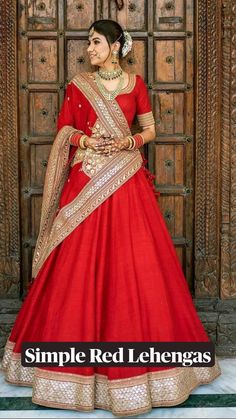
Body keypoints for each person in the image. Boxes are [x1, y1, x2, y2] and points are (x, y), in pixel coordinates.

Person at [1, 19, 221, 417]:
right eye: (89, 43)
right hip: (86, 181)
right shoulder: (78, 85)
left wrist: (130, 141)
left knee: (133, 266)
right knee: (76, 267)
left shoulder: (136, 85)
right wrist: (85, 140)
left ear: (117, 45)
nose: (90, 49)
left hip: (125, 179)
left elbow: (151, 129)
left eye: (97, 42)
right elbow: (64, 129)